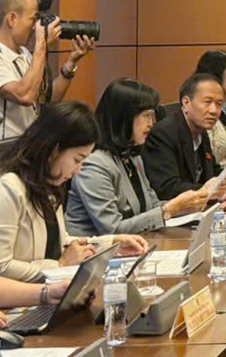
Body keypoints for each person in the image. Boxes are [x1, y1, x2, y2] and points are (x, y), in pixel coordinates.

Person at [0, 102, 147, 282]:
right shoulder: (9, 189)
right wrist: (59, 266)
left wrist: (112, 245)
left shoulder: (49, 185)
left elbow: (62, 243)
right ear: (54, 150)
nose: (78, 170)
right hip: (23, 296)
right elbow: (2, 267)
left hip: (50, 289)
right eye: (77, 159)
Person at [66, 79, 209, 237]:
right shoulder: (94, 166)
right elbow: (112, 230)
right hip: (95, 249)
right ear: (124, 118)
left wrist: (186, 206)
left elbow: (152, 206)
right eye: (146, 116)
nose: (151, 123)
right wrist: (171, 209)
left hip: (133, 245)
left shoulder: (133, 158)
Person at [143, 74, 226, 203]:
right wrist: (220, 195)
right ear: (186, 103)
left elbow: (215, 175)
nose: (214, 110)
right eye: (207, 102)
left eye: (219, 104)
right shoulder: (163, 134)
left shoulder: (200, 131)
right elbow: (167, 189)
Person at [0, 0, 95, 139]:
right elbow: (24, 95)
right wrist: (41, 44)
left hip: (27, 145)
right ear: (12, 19)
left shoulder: (24, 53)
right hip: (6, 149)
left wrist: (71, 62)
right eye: (33, 20)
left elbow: (47, 99)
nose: (35, 27)